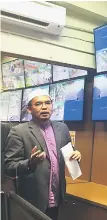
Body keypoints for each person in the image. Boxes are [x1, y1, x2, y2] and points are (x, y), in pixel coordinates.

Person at [4, 89, 81, 220]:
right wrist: (30, 163)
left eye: (48, 103)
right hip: (33, 199)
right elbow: (9, 167)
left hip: (56, 197)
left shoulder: (62, 128)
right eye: (38, 104)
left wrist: (76, 155)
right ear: (29, 109)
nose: (44, 107)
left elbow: (69, 155)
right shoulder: (18, 132)